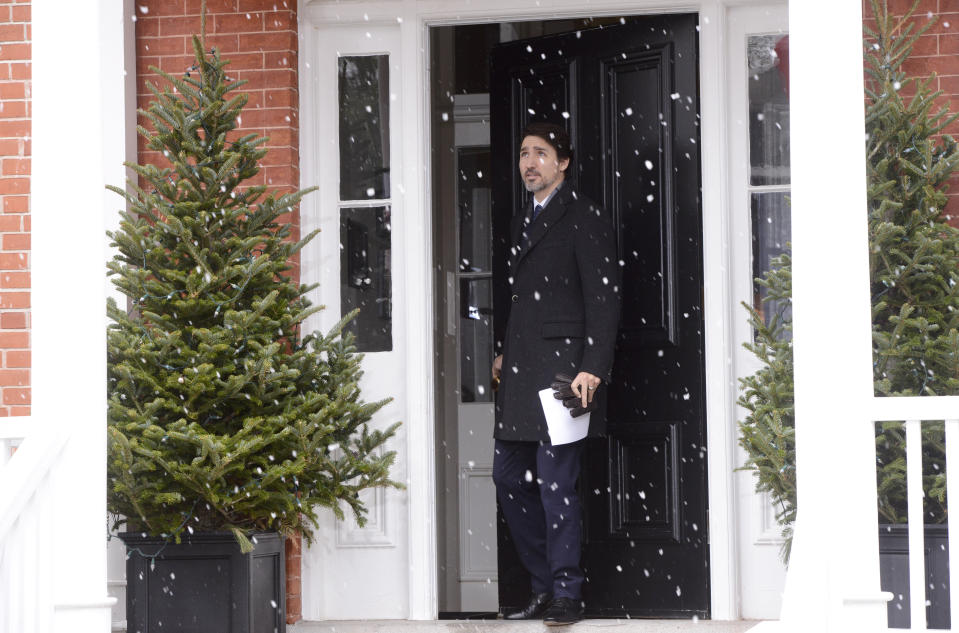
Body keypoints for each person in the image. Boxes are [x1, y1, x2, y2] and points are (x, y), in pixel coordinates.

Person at [491, 121, 621, 626]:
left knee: (555, 485)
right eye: (524, 153)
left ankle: (567, 591)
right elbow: (523, 298)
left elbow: (603, 299)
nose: (529, 163)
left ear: (562, 162)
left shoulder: (582, 216)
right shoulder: (524, 218)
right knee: (507, 478)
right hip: (521, 373)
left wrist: (593, 367)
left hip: (563, 376)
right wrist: (504, 351)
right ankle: (544, 585)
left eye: (540, 153)